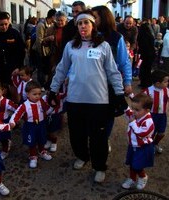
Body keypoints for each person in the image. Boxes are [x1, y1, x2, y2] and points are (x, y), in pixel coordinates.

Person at [48, 10, 127, 183]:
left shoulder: (103, 46)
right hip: (75, 99)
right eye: (80, 23)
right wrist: (53, 90)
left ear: (93, 25)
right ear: (77, 26)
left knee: (98, 136)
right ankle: (82, 156)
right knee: (77, 133)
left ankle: (99, 166)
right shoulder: (71, 46)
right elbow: (61, 69)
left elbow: (113, 72)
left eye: (86, 23)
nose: (83, 26)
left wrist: (120, 93)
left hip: (98, 100)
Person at [92, 5, 132, 152]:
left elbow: (124, 62)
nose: (91, 20)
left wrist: (127, 82)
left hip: (108, 85)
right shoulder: (87, 35)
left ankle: (104, 139)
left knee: (108, 115)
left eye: (94, 17)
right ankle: (93, 139)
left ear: (103, 18)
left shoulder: (116, 38)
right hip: (90, 85)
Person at [9, 81, 53, 169]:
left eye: (39, 94)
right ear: (28, 94)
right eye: (34, 94)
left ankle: (42, 151)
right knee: (32, 142)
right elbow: (17, 113)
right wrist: (13, 121)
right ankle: (33, 156)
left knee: (41, 139)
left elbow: (47, 110)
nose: (37, 96)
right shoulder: (24, 105)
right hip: (30, 127)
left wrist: (52, 107)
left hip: (41, 125)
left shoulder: (41, 101)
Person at [122, 93, 154, 190]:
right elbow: (127, 111)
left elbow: (141, 133)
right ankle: (132, 178)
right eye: (133, 108)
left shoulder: (148, 121)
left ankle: (143, 177)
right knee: (132, 163)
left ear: (147, 110)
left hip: (143, 148)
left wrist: (132, 122)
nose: (133, 112)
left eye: (137, 110)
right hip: (133, 146)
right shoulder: (137, 114)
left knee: (137, 165)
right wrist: (121, 101)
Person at [0, 11, 25, 86]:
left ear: (9, 22)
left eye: (6, 24)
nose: (4, 27)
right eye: (1, 25)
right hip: (0, 70)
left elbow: (22, 51)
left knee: (15, 93)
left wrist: (18, 67)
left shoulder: (15, 33)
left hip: (14, 69)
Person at [143, 70, 169, 154]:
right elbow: (141, 101)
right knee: (151, 133)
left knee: (161, 133)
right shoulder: (148, 91)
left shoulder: (167, 90)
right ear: (158, 83)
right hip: (152, 115)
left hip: (162, 115)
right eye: (165, 81)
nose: (167, 83)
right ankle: (149, 146)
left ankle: (155, 144)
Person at [0, 81, 18, 159]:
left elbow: (17, 109)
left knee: (4, 138)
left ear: (3, 91)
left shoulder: (6, 102)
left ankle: (5, 151)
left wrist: (13, 118)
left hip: (3, 122)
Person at [34, 9, 56, 88]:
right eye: (56, 17)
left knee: (46, 68)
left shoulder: (51, 25)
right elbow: (39, 41)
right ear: (53, 16)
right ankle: (40, 85)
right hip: (40, 50)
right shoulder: (41, 25)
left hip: (47, 51)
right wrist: (41, 53)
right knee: (40, 68)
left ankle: (45, 84)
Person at [137, 22, 155, 88]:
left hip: (144, 55)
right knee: (148, 70)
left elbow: (141, 46)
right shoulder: (150, 35)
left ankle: (144, 83)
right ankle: (147, 83)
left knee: (143, 69)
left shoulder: (141, 36)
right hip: (150, 55)